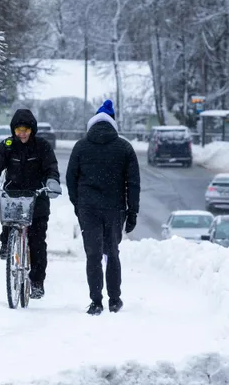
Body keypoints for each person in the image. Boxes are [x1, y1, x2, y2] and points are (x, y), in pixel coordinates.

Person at [66, 100, 140, 315]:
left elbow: (71, 178)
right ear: (112, 123)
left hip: (88, 208)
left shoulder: (81, 146)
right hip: (114, 208)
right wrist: (132, 211)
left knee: (93, 255)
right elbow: (133, 183)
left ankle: (96, 301)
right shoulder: (124, 148)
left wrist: (78, 204)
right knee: (112, 254)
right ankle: (115, 300)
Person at [0, 109, 61, 299]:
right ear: (13, 130)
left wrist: (52, 182)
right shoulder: (7, 146)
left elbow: (51, 167)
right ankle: (6, 244)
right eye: (18, 130)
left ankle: (36, 282)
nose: (22, 133)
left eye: (25, 129)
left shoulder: (42, 146)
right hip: (14, 196)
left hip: (37, 198)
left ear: (32, 129)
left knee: (37, 242)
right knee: (9, 223)